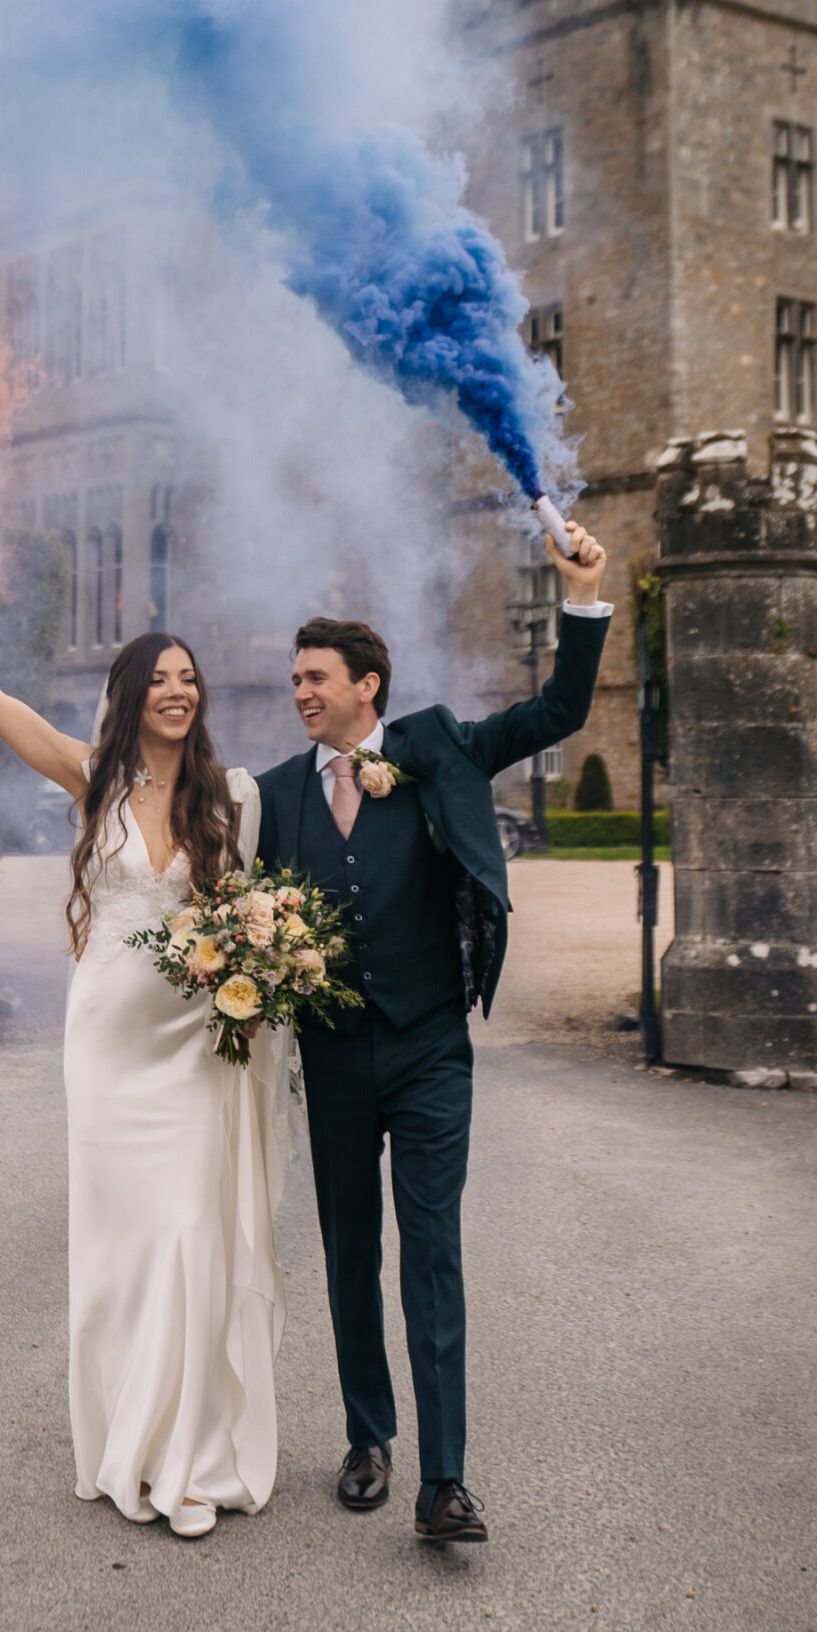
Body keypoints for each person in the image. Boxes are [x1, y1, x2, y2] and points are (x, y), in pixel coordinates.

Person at [0, 555, 287, 1540]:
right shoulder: (92, 778)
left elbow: (257, 918)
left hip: (194, 1053)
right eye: (160, 677)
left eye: (189, 677)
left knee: (190, 1237)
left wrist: (261, 983)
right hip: (109, 1052)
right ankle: (132, 1445)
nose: (179, 689)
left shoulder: (232, 802)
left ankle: (185, 1461)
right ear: (131, 698)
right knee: (127, 1252)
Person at [256, 522, 611, 1544]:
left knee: (433, 1252)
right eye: (293, 681)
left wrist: (582, 591)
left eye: (315, 677)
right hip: (331, 1055)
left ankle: (444, 1480)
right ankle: (369, 1438)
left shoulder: (441, 744)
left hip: (428, 1049)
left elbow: (559, 708)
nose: (301, 694)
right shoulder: (279, 794)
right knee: (347, 1248)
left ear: (369, 685)